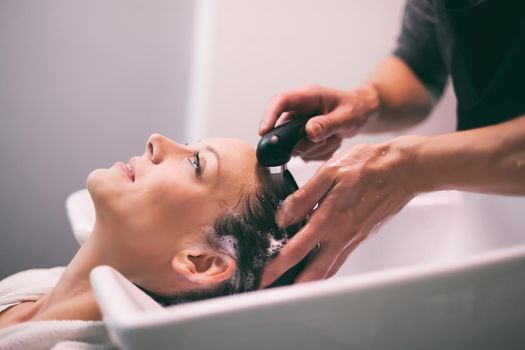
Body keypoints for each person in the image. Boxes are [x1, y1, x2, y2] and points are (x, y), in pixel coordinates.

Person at [258, 0, 525, 288]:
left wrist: (406, 170)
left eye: (199, 164)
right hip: (488, 204)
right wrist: (365, 101)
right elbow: (419, 65)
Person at [0, 134, 310, 333]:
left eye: (196, 163)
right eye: (192, 144)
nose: (157, 141)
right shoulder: (32, 287)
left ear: (200, 261)